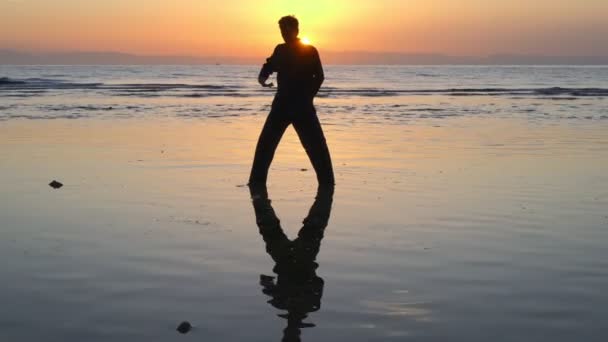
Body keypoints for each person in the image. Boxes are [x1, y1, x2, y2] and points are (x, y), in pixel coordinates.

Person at [249, 15, 335, 186]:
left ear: (296, 30)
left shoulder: (310, 50)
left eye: (287, 29)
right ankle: (256, 183)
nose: (284, 33)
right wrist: (262, 77)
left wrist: (308, 96)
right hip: (281, 105)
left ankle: (327, 184)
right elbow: (270, 65)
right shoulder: (280, 50)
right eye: (281, 30)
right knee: (265, 146)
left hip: (302, 107)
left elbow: (319, 76)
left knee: (317, 149)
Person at [249, 183, 334, 342]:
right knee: (319, 211)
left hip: (289, 257)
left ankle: (256, 191)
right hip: (300, 256)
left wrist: (269, 285)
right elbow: (318, 282)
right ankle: (257, 191)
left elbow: (266, 283)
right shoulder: (304, 304)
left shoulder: (287, 303)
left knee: (318, 212)